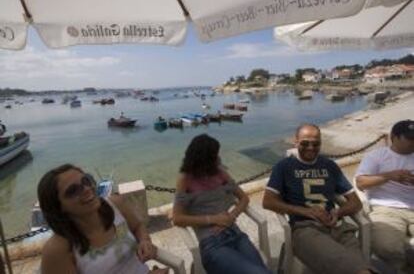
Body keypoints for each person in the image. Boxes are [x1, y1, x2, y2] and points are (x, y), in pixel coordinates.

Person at [262, 124, 375, 274]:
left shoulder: (329, 166)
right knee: (356, 269)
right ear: (295, 142)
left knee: (356, 265)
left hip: (337, 227)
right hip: (305, 228)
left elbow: (356, 202)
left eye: (316, 143)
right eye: (305, 143)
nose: (310, 147)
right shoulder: (284, 167)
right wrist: (306, 212)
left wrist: (337, 213)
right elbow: (268, 201)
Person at [38, 164, 167, 274]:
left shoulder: (116, 205)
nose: (87, 189)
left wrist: (144, 241)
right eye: (73, 190)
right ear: (58, 207)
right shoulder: (58, 250)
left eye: (86, 180)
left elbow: (137, 227)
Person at [172, 134, 271, 274]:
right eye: (214, 156)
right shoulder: (185, 179)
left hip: (235, 234)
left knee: (261, 270)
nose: (218, 158)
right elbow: (177, 218)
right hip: (212, 243)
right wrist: (212, 219)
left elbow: (244, 198)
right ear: (202, 159)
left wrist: (232, 215)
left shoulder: (220, 172)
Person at [355, 119, 414, 273]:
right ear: (393, 137)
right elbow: (361, 183)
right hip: (386, 208)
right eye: (409, 138)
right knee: (386, 247)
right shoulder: (377, 156)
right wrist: (389, 176)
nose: (413, 142)